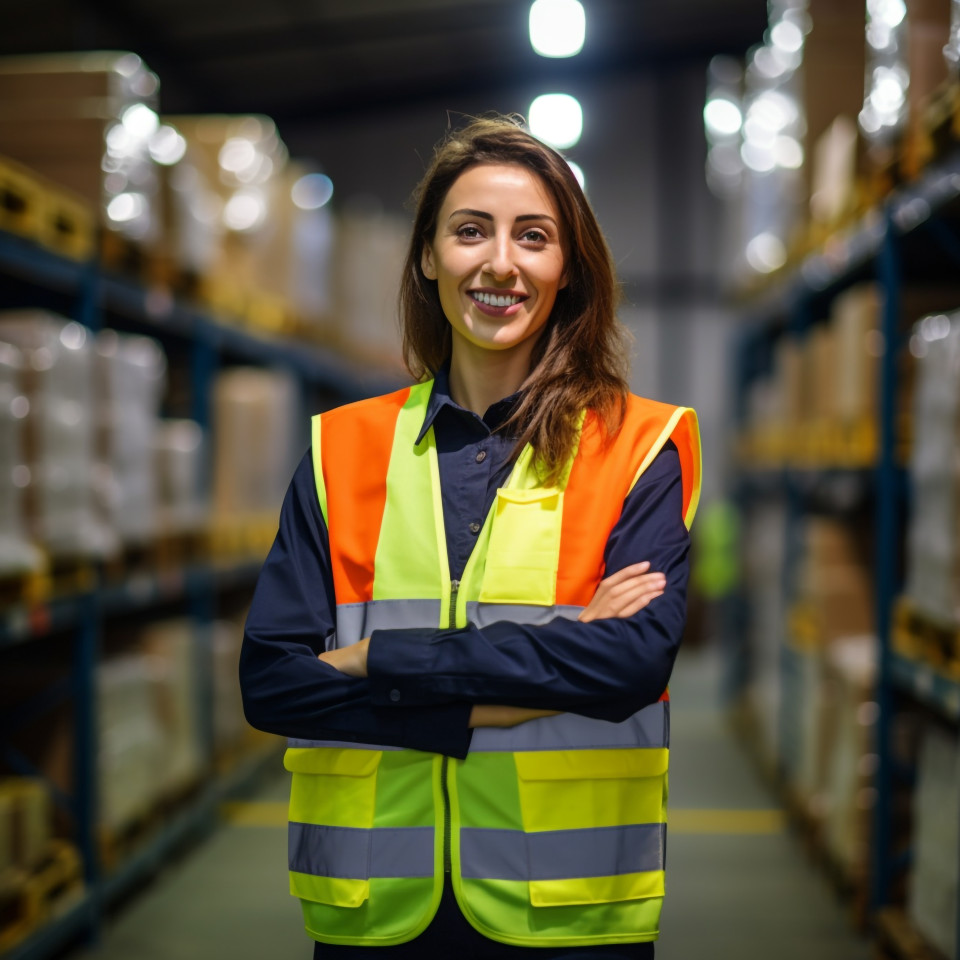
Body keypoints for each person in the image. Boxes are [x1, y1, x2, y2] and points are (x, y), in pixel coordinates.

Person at [240, 116, 701, 959]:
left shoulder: (639, 446)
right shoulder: (342, 448)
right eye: (470, 231)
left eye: (534, 237)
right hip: (375, 909)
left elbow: (632, 663)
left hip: (568, 914)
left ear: (569, 268)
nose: (500, 263)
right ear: (428, 256)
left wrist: (376, 657)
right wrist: (491, 704)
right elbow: (272, 686)